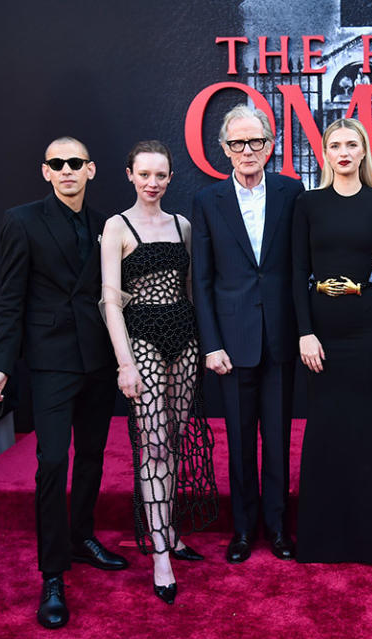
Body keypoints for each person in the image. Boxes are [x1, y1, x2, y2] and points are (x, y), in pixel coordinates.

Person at [0, 137, 128, 629]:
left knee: (91, 455)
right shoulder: (21, 221)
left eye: (76, 163)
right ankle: (52, 574)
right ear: (46, 172)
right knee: (51, 462)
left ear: (91, 169)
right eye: (57, 164)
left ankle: (82, 536)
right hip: (51, 362)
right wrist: (2, 363)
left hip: (99, 359)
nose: (67, 171)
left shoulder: (106, 224)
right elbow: (10, 299)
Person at [100, 140, 217, 604]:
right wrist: (124, 361)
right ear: (129, 174)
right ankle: (161, 556)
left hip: (184, 338)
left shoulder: (183, 225)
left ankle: (168, 530)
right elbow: (110, 298)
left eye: (161, 175)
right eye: (144, 174)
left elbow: (193, 290)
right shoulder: (116, 226)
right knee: (151, 444)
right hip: (142, 339)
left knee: (171, 439)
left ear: (171, 178)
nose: (153, 183)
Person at [191, 105, 303, 563]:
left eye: (256, 141)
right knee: (239, 443)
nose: (247, 151)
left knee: (277, 439)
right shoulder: (206, 200)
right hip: (231, 344)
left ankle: (277, 528)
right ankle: (242, 531)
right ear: (224, 150)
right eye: (237, 143)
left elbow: (300, 267)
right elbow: (201, 279)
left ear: (271, 144)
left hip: (280, 337)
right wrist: (212, 342)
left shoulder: (292, 193)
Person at [293, 117, 372, 564]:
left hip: (365, 326)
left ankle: (369, 539)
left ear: (363, 152)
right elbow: (298, 271)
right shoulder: (307, 203)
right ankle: (321, 540)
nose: (343, 152)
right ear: (325, 152)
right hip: (320, 325)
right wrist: (304, 331)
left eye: (351, 145)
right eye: (335, 144)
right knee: (323, 428)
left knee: (362, 427)